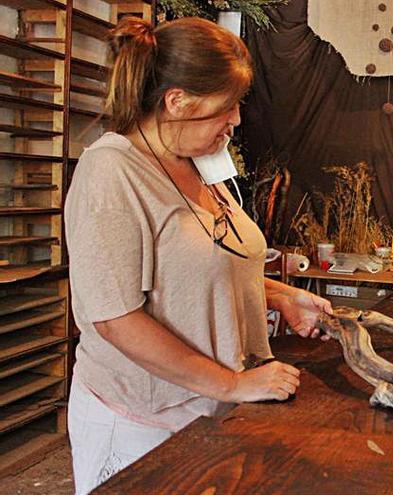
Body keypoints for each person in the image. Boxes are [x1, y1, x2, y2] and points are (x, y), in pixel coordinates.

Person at [64, 17, 332, 494]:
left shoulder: (198, 161)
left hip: (211, 409)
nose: (236, 120)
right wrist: (231, 386)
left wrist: (277, 295)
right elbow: (116, 319)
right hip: (143, 422)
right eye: (226, 107)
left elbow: (197, 267)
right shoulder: (111, 172)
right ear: (177, 101)